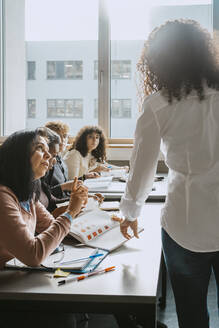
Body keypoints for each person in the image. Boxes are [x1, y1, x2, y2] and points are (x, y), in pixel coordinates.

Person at [119, 19, 219, 328]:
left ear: (159, 60)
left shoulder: (158, 105)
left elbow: (142, 170)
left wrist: (130, 212)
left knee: (191, 318)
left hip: (183, 226)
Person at [0, 128, 88, 269]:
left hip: (16, 274)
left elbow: (51, 226)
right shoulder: (2, 197)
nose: (49, 155)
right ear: (19, 155)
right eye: (40, 148)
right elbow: (33, 255)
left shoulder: (28, 195)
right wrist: (70, 212)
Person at [44, 121, 98, 198]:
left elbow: (67, 184)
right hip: (56, 206)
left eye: (65, 136)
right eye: (58, 136)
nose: (62, 140)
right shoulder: (46, 162)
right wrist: (63, 187)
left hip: (66, 200)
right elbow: (42, 196)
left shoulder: (60, 159)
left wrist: (84, 177)